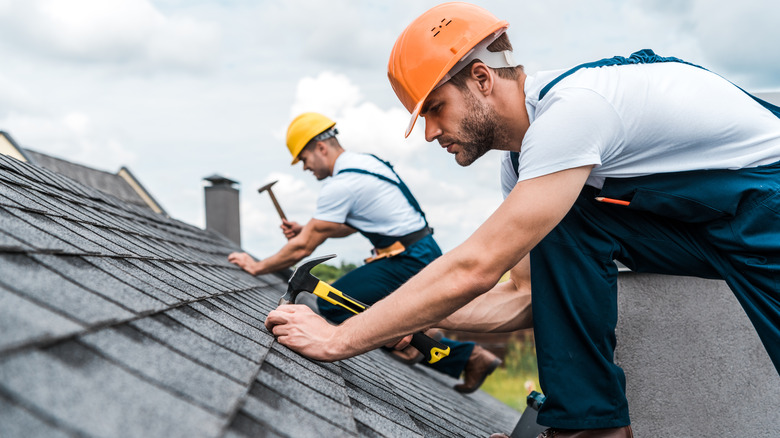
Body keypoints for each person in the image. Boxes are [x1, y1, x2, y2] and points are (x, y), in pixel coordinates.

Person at [264, 3, 780, 438]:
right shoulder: (528, 169)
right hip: (713, 225)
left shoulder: (573, 114)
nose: (429, 133)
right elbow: (526, 296)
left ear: (482, 79)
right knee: (568, 219)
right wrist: (413, 319)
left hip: (767, 207)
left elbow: (476, 267)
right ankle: (589, 427)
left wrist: (341, 338)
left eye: (436, 108)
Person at [229, 111, 502, 393]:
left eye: (304, 159)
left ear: (320, 148)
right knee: (370, 308)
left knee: (331, 304)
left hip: (407, 259)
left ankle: (436, 346)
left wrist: (256, 266)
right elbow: (347, 226)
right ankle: (446, 348)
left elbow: (303, 247)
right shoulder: (366, 164)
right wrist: (308, 229)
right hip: (418, 251)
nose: (305, 168)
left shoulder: (342, 183)